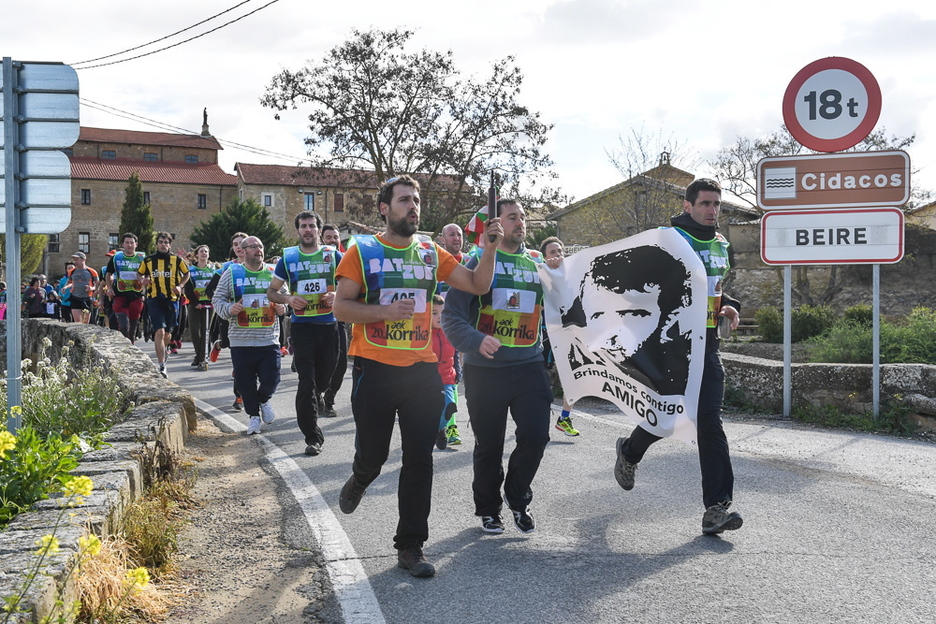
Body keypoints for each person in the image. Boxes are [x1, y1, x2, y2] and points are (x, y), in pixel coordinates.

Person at [332, 174, 503, 578]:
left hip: (422, 371)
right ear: (384, 208)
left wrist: (489, 250)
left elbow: (478, 284)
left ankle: (411, 546)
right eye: (405, 199)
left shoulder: (430, 251)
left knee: (418, 460)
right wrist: (383, 313)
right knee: (373, 457)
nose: (413, 206)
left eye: (417, 200)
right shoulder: (362, 250)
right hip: (374, 369)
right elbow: (341, 308)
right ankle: (361, 477)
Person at [613, 177, 743, 536]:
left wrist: (728, 307)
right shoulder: (668, 240)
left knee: (708, 423)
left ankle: (716, 508)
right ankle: (630, 450)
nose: (712, 210)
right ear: (688, 206)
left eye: (717, 204)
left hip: (707, 346)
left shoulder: (721, 245)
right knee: (669, 419)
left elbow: (715, 289)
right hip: (670, 346)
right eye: (705, 204)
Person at [441, 198, 552, 537]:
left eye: (522, 218)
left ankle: (518, 497)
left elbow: (568, 306)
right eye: (512, 218)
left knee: (536, 436)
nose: (520, 223)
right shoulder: (479, 262)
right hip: (485, 370)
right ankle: (489, 509)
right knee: (489, 445)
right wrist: (476, 340)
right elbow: (451, 318)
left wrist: (562, 272)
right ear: (496, 225)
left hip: (530, 365)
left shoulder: (537, 263)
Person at [266, 212, 341, 456]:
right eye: (303, 226)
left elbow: (355, 283)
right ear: (298, 230)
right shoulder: (288, 258)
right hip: (302, 326)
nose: (308, 230)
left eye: (311, 226)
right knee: (305, 382)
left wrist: (337, 295)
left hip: (330, 325)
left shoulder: (333, 255)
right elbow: (271, 292)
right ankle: (312, 437)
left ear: (319, 230)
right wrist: (287, 298)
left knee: (325, 376)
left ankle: (319, 393)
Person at [212, 236, 287, 435]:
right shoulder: (232, 273)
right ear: (243, 251)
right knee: (245, 383)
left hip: (268, 338)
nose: (259, 250)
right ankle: (253, 416)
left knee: (272, 379)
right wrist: (230, 308)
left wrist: (282, 306)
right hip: (241, 339)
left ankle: (263, 400)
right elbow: (217, 299)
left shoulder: (274, 272)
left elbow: (285, 297)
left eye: (261, 246)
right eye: (253, 247)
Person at [539, 236, 581, 437]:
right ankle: (535, 419)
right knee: (541, 385)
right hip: (544, 337)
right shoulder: (540, 273)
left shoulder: (571, 275)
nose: (558, 256)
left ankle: (564, 418)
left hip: (567, 336)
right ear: (545, 257)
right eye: (553, 252)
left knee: (574, 379)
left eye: (560, 251)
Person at [138, 232, 190, 379]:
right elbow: (139, 273)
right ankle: (161, 365)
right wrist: (143, 280)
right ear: (156, 244)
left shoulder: (177, 260)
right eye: (161, 242)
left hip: (172, 299)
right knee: (159, 332)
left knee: (167, 334)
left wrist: (180, 286)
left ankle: (165, 349)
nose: (163, 244)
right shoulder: (148, 261)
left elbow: (187, 274)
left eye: (166, 242)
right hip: (154, 299)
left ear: (170, 245)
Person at [319, 223, 348, 417]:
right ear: (322, 240)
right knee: (322, 361)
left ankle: (329, 398)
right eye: (328, 237)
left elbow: (352, 285)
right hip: (316, 319)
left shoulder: (345, 260)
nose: (332, 240)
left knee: (342, 361)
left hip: (338, 318)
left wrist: (337, 294)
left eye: (335, 237)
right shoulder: (315, 260)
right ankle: (317, 394)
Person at [430, 294, 460, 449]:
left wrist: (458, 373)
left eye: (442, 313)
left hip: (447, 378)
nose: (439, 317)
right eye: (434, 313)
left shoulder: (450, 331)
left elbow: (455, 355)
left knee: (450, 406)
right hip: (427, 381)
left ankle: (440, 429)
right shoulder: (422, 333)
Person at [106, 233, 147, 343]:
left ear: (136, 244)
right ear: (123, 244)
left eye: (131, 243)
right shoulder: (116, 258)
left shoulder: (142, 258)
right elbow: (109, 273)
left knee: (132, 330)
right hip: (120, 296)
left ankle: (130, 352)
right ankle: (122, 348)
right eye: (127, 243)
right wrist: (109, 288)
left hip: (136, 296)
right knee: (124, 326)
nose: (129, 245)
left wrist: (145, 282)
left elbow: (148, 274)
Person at [185, 245, 215, 370]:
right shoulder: (190, 270)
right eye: (201, 251)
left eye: (206, 251)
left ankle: (203, 358)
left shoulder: (213, 270)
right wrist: (194, 302)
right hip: (195, 304)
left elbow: (217, 287)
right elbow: (187, 288)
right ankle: (199, 354)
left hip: (209, 303)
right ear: (197, 254)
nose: (204, 253)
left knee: (206, 331)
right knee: (194, 331)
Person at [65, 252, 99, 324]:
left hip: (87, 298)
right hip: (75, 297)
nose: (75, 262)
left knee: (85, 322)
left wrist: (91, 288)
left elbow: (97, 285)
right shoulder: (72, 271)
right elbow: (70, 282)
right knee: (77, 322)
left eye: (77, 259)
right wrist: (65, 287)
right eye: (75, 260)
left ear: (83, 260)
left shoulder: (92, 271)